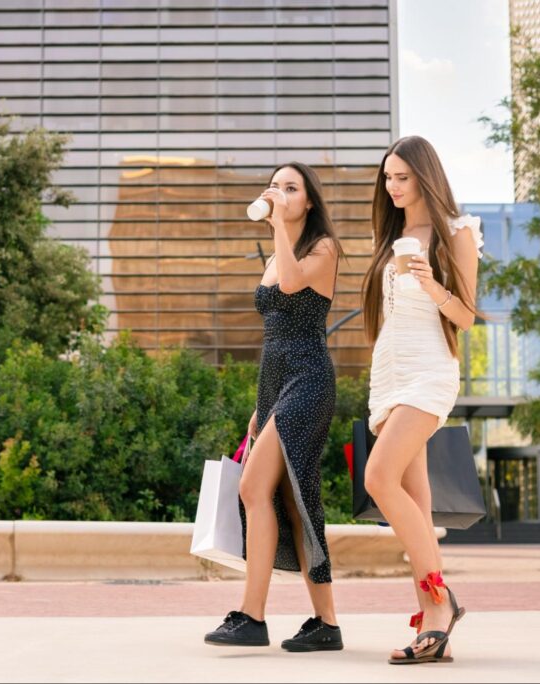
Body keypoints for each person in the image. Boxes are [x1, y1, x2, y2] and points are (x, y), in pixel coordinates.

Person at [204, 162, 345, 652]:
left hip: (309, 379)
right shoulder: (279, 249)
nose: (280, 194)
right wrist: (259, 409)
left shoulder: (322, 249)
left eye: (292, 188)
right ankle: (326, 624)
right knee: (293, 500)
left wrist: (280, 227)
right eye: (275, 186)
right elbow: (273, 334)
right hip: (277, 385)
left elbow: (289, 286)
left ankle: (251, 616)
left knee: (253, 487)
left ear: (309, 201)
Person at [360, 136, 483, 664]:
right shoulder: (393, 235)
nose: (393, 187)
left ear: (425, 176)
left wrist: (433, 286)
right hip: (389, 371)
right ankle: (432, 632)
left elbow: (467, 316)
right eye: (388, 178)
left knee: (377, 478)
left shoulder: (456, 232)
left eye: (402, 177)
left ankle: (440, 606)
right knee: (418, 500)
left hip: (430, 372)